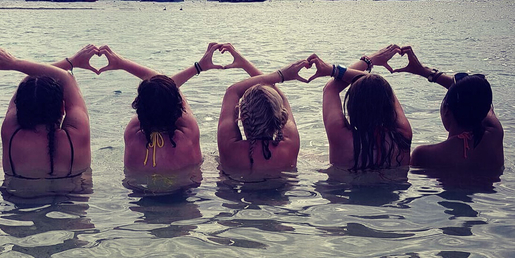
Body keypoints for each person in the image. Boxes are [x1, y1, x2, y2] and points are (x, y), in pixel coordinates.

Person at [96, 44, 222, 172]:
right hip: (185, 191)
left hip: (139, 191)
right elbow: (167, 86)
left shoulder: (132, 133)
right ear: (177, 107)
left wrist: (121, 64)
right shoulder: (188, 132)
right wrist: (198, 67)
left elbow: (164, 89)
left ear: (140, 109)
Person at [0, 44, 96, 179]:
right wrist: (14, 63)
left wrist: (70, 62)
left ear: (20, 109)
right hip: (71, 198)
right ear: (62, 108)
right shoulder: (77, 135)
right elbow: (67, 79)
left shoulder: (11, 133)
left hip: (17, 199)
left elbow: (29, 79)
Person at [392, 46, 504, 175]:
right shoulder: (495, 135)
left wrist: (423, 71)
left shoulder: (425, 155)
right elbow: (478, 96)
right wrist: (426, 72)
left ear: (446, 111)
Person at [309, 45, 412, 171]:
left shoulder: (340, 136)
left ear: (351, 106)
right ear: (389, 105)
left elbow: (331, 88)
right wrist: (331, 70)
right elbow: (384, 88)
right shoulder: (403, 135)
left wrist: (368, 61)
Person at [215, 43, 310, 177]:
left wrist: (280, 75)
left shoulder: (230, 148)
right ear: (281, 117)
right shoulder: (289, 146)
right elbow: (282, 98)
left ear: (242, 116)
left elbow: (232, 91)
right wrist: (246, 64)